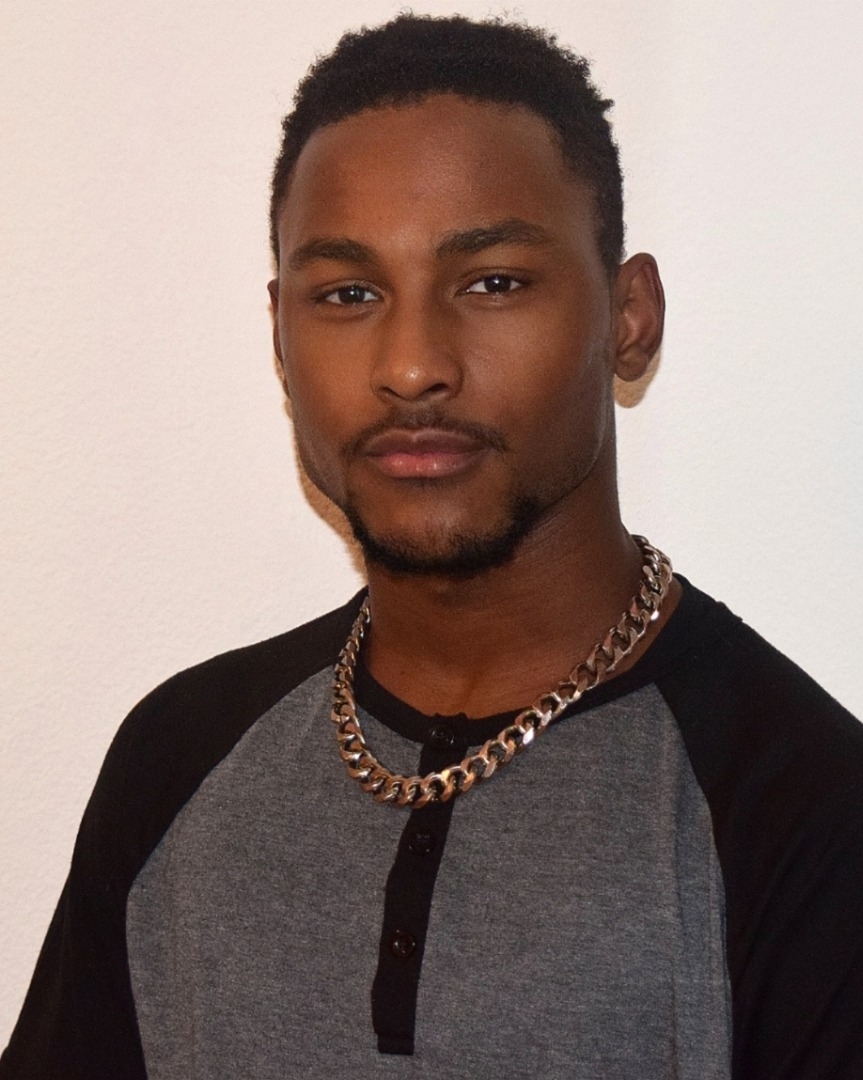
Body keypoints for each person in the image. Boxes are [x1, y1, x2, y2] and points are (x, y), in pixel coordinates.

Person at [2, 13, 861, 1080]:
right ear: (279, 336)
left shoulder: (801, 807)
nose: (410, 365)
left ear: (628, 317)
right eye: (348, 294)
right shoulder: (177, 759)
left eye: (491, 281)